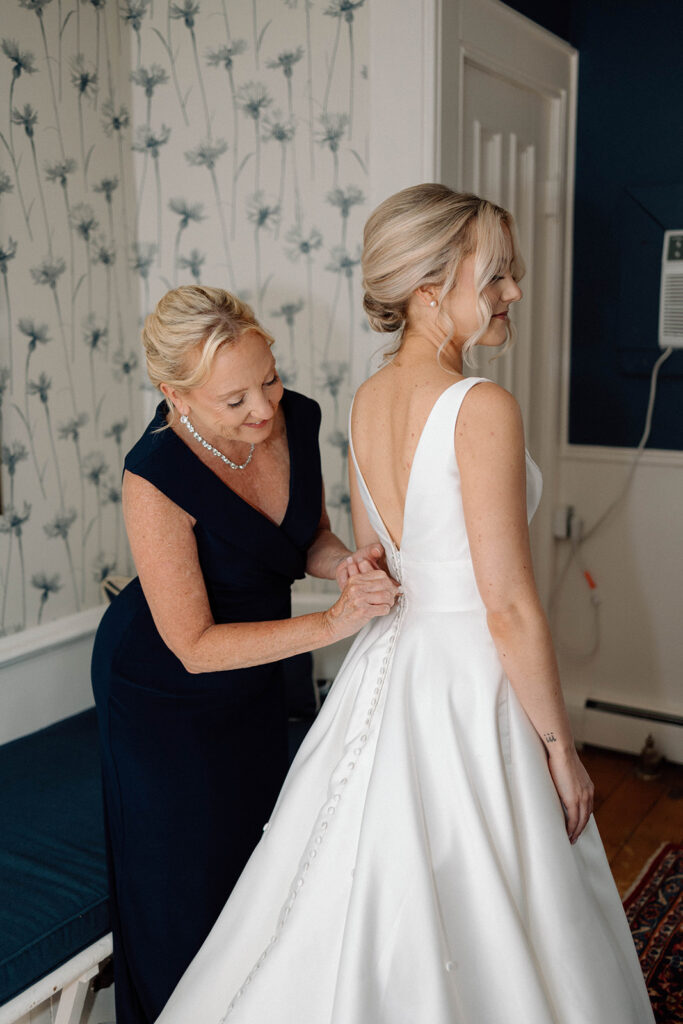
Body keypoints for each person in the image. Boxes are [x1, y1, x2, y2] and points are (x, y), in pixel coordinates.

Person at [155, 188, 655, 1023]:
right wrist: (561, 747)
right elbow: (506, 605)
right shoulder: (480, 407)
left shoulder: (366, 400)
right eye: (495, 275)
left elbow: (377, 557)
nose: (512, 293)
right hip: (467, 678)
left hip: (389, 666)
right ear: (431, 290)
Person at [90, 285, 399, 1024]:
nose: (263, 408)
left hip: (256, 672)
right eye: (234, 401)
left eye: (268, 377)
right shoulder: (153, 475)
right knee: (183, 891)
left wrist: (344, 567)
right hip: (163, 690)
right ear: (175, 395)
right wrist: (332, 624)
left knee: (259, 865)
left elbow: (308, 535)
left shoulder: (295, 419)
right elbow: (193, 647)